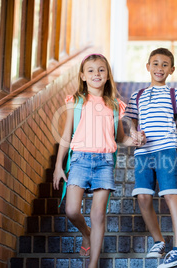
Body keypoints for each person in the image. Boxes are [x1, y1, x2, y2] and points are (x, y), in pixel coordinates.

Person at [53, 54, 145, 268]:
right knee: (72, 210)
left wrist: (136, 140)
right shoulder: (76, 102)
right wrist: (59, 165)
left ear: (107, 75)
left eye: (101, 69)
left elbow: (120, 138)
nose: (96, 73)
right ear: (83, 76)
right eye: (91, 70)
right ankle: (86, 233)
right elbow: (66, 136)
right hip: (79, 160)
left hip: (104, 163)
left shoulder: (114, 105)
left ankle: (93, 263)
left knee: (98, 214)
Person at [125, 48, 177, 268]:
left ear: (172, 69)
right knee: (143, 197)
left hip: (167, 148)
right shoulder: (136, 95)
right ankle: (158, 241)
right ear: (148, 66)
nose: (160, 68)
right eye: (155, 64)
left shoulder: (175, 93)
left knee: (170, 194)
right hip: (143, 152)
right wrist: (133, 133)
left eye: (165, 64)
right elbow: (130, 121)